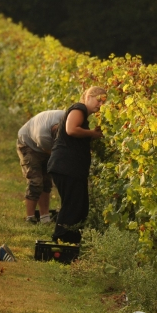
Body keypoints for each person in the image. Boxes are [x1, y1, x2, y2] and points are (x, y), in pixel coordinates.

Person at [47, 87, 106, 243]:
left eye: (103, 101)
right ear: (87, 97)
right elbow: (71, 130)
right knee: (73, 206)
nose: (100, 104)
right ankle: (61, 241)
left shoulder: (83, 117)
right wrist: (92, 133)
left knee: (79, 207)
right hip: (66, 167)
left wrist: (91, 135)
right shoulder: (79, 108)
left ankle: (70, 242)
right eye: (98, 100)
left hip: (70, 168)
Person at [17, 110, 65, 224]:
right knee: (36, 181)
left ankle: (44, 218)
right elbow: (52, 154)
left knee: (47, 181)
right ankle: (30, 218)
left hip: (44, 146)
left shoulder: (67, 118)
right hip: (28, 145)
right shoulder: (43, 136)